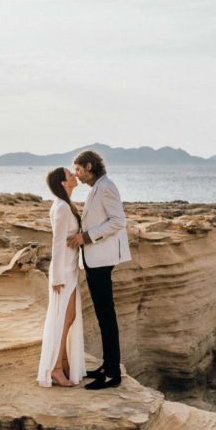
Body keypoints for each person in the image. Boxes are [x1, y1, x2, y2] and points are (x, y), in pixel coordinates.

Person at [68, 149, 130, 390]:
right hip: (95, 259)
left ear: (89, 166)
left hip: (102, 259)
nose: (77, 174)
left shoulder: (106, 186)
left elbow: (118, 221)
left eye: (78, 170)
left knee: (106, 315)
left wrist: (87, 237)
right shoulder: (97, 187)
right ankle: (107, 366)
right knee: (104, 315)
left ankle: (112, 373)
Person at [37, 167, 86, 388]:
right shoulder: (62, 207)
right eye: (70, 174)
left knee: (69, 317)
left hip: (70, 268)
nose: (75, 176)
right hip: (63, 272)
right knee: (62, 319)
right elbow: (57, 243)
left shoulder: (65, 204)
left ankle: (63, 361)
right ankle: (56, 369)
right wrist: (56, 277)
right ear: (63, 183)